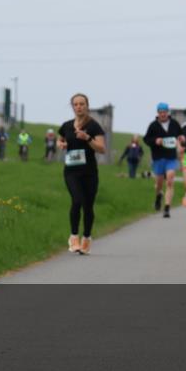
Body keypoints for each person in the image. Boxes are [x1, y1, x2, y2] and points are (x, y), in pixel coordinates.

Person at [58, 94, 107, 254]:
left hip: (89, 173)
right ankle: (73, 237)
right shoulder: (66, 126)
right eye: (76, 104)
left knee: (88, 206)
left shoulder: (94, 126)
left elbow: (101, 148)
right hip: (71, 171)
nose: (79, 107)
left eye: (82, 104)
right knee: (77, 200)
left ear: (87, 106)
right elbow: (61, 139)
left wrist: (87, 138)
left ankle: (86, 237)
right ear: (72, 107)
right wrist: (61, 144)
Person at [145, 102, 182, 218]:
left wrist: (181, 140)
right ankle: (158, 196)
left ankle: (167, 208)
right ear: (158, 113)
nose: (162, 114)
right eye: (160, 112)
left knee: (170, 180)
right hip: (158, 158)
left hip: (171, 157)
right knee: (159, 184)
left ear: (168, 112)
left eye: (164, 112)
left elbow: (180, 136)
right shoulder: (153, 125)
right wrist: (156, 141)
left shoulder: (175, 124)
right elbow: (146, 139)